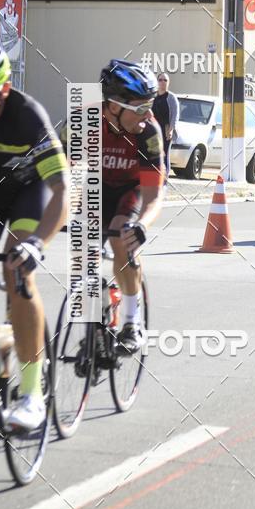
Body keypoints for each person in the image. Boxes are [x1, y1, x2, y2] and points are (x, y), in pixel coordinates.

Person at [0, 45, 68, 431]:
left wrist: (36, 243)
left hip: (30, 191)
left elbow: (62, 193)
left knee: (15, 268)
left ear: (3, 91)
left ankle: (31, 395)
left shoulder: (29, 118)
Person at [100, 60, 165, 352]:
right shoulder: (85, 120)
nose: (148, 114)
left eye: (149, 106)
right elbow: (64, 176)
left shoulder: (148, 132)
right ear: (113, 106)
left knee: (120, 237)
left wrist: (141, 226)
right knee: (81, 248)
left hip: (131, 188)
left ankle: (130, 321)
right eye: (140, 107)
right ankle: (95, 311)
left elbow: (154, 196)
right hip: (95, 186)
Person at [152, 72, 179, 177]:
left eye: (165, 80)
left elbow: (175, 116)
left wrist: (171, 129)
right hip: (154, 130)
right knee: (154, 154)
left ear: (168, 83)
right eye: (160, 80)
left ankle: (165, 176)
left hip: (166, 129)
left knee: (165, 153)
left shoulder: (171, 98)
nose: (162, 82)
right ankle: (155, 174)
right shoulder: (153, 96)